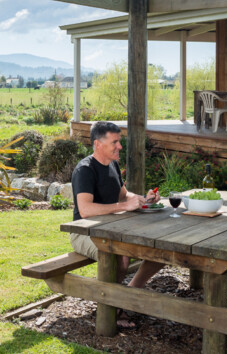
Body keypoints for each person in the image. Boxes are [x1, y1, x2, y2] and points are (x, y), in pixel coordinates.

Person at [70, 121, 165, 329]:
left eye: (119, 142)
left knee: (161, 248)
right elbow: (85, 210)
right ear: (98, 144)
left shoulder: (112, 164)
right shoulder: (85, 170)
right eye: (115, 142)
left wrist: (141, 198)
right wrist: (123, 205)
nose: (120, 147)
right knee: (120, 256)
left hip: (115, 228)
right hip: (85, 232)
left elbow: (124, 194)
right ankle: (111, 309)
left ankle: (126, 294)